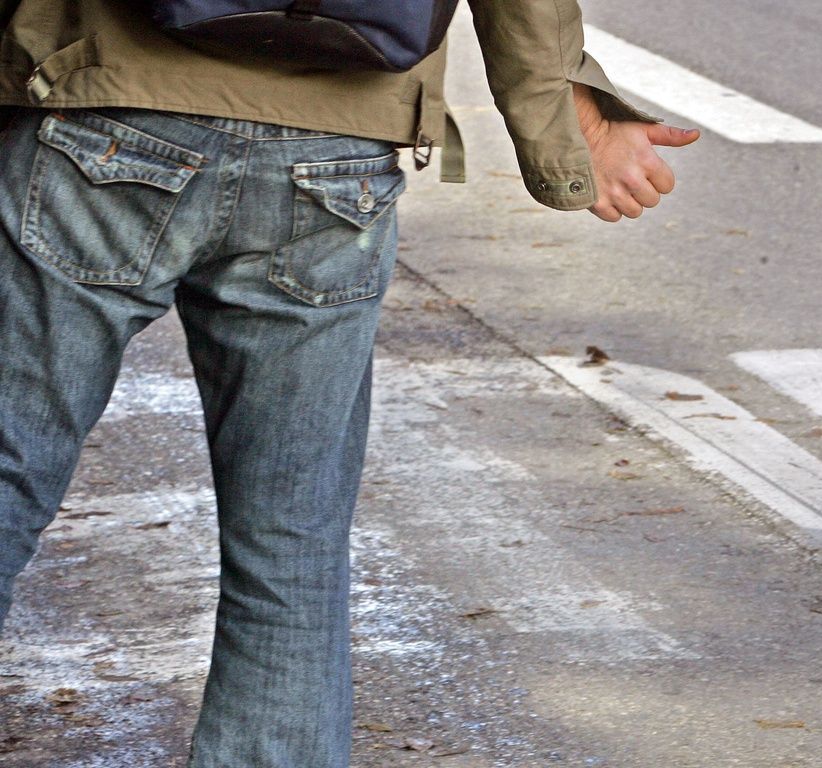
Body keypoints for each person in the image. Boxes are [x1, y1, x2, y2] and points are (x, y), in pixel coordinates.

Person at [0, 1, 699, 766]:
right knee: (290, 543)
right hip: (336, 152)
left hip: (104, 106)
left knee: (8, 474)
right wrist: (576, 134)